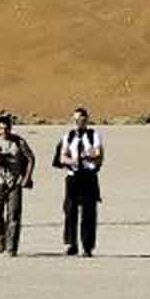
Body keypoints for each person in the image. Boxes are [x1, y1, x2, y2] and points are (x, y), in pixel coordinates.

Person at [55, 105, 104, 256]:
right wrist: (71, 161)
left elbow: (99, 154)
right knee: (70, 211)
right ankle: (71, 244)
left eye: (82, 119)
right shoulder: (68, 136)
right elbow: (62, 156)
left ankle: (88, 246)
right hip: (73, 176)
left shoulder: (93, 135)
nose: (78, 123)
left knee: (89, 212)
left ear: (86, 120)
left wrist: (87, 157)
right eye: (76, 120)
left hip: (89, 176)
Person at [0, 112, 36, 256]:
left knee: (14, 216)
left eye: (6, 128)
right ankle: (1, 235)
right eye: (1, 128)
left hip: (14, 183)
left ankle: (11, 248)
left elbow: (31, 158)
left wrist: (27, 177)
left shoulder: (19, 142)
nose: (4, 131)